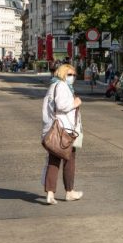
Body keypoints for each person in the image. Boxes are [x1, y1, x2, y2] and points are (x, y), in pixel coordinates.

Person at [42, 64, 83, 205]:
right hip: (64, 130)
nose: (73, 77)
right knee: (69, 161)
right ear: (63, 73)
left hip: (56, 130)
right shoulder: (61, 86)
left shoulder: (53, 86)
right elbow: (61, 105)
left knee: (53, 161)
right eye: (70, 74)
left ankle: (50, 193)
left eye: (74, 75)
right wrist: (75, 103)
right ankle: (69, 192)